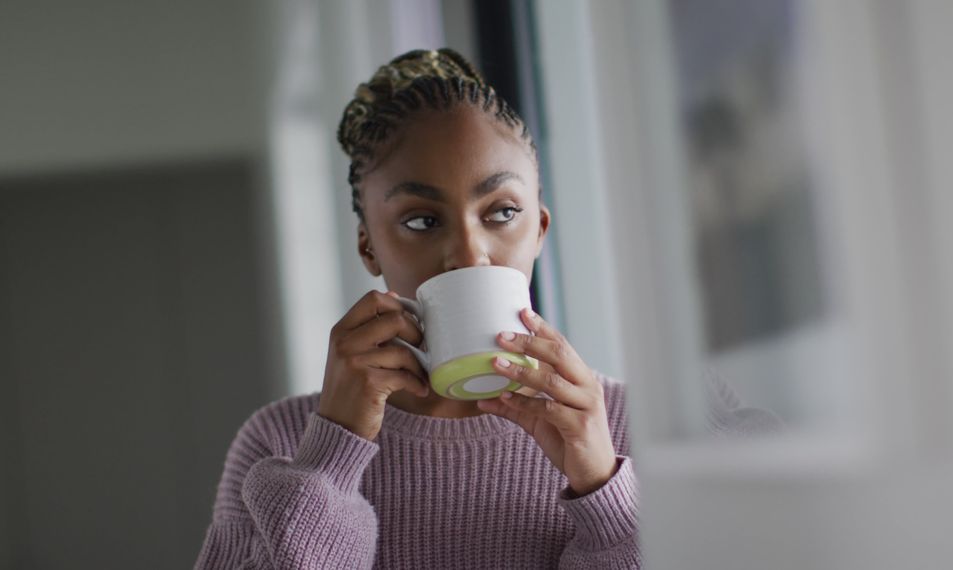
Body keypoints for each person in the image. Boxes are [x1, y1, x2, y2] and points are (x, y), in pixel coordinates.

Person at [194, 48, 776, 569]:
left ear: (540, 229)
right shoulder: (279, 443)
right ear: (368, 245)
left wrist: (604, 493)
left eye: (501, 213)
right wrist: (330, 461)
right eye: (422, 221)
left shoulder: (642, 427)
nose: (470, 254)